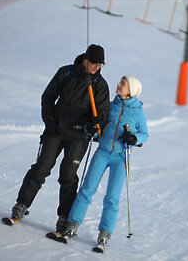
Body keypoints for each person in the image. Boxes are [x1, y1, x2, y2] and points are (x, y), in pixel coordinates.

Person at [8, 44, 110, 232]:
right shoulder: (66, 72)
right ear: (86, 59)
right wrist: (49, 121)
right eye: (94, 63)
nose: (97, 67)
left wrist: (96, 120)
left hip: (79, 136)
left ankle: (64, 216)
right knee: (41, 168)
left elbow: (103, 112)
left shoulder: (100, 85)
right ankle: (21, 204)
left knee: (68, 176)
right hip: (56, 130)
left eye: (100, 64)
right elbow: (48, 97)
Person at [61, 76, 148, 247]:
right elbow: (98, 126)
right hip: (102, 153)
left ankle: (105, 233)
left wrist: (133, 138)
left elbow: (144, 134)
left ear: (131, 90)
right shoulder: (109, 106)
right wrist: (92, 130)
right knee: (87, 189)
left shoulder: (138, 112)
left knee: (112, 197)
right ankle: (72, 225)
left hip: (121, 157)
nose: (118, 84)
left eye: (122, 83)